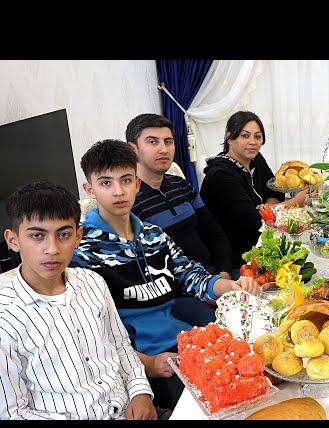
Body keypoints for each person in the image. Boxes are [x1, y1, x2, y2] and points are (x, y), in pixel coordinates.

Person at [71, 139, 261, 410]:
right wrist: (146, 364)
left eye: (126, 180)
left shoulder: (154, 235)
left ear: (137, 184)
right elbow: (91, 334)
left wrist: (230, 286)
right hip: (140, 361)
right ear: (90, 189)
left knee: (251, 378)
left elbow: (190, 275)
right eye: (106, 183)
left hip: (182, 343)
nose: (118, 191)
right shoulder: (81, 249)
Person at [0, 182, 158, 420]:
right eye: (37, 236)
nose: (52, 249)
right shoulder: (5, 317)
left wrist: (140, 393)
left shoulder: (93, 282)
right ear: (13, 240)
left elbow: (121, 346)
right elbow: (14, 413)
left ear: (78, 236)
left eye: (63, 235)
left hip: (127, 409)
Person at [126, 113, 233, 326]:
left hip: (214, 276)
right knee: (226, 325)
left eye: (168, 141)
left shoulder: (180, 185)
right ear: (132, 149)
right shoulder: (127, 202)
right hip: (177, 295)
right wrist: (207, 291)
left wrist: (224, 273)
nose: (163, 149)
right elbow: (147, 272)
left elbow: (215, 233)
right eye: (152, 142)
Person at [200, 111, 306, 272]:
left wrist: (265, 209)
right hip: (236, 259)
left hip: (263, 242)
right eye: (245, 136)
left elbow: (275, 190)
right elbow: (254, 222)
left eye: (257, 136)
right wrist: (296, 201)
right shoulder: (220, 176)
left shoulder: (255, 159)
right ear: (229, 137)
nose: (253, 142)